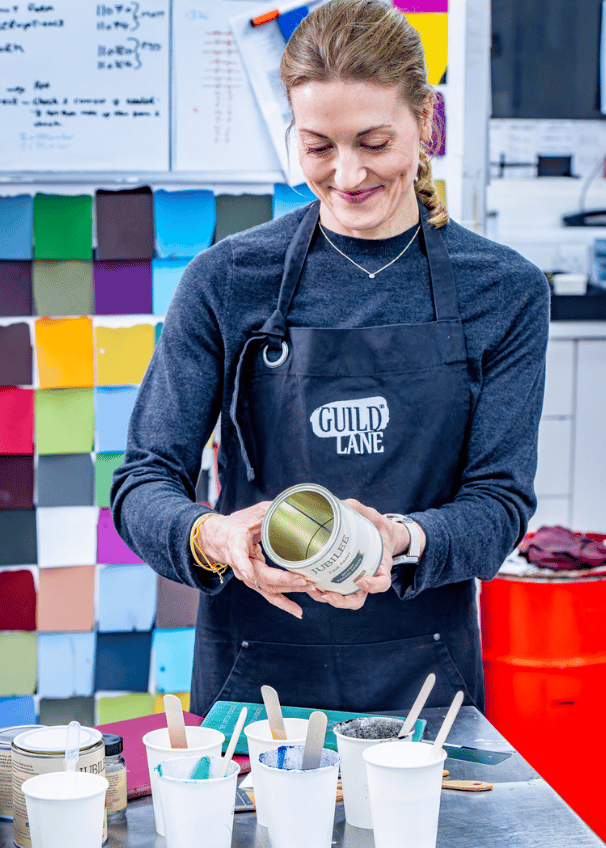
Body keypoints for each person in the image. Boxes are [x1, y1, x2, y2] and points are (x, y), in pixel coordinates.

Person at [111, 0, 550, 717]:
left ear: (427, 122)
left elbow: (498, 507)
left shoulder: (502, 292)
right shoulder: (228, 282)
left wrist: (398, 539)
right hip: (253, 685)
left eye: (374, 142)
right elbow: (142, 481)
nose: (347, 175)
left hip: (428, 689)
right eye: (318, 147)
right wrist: (213, 535)